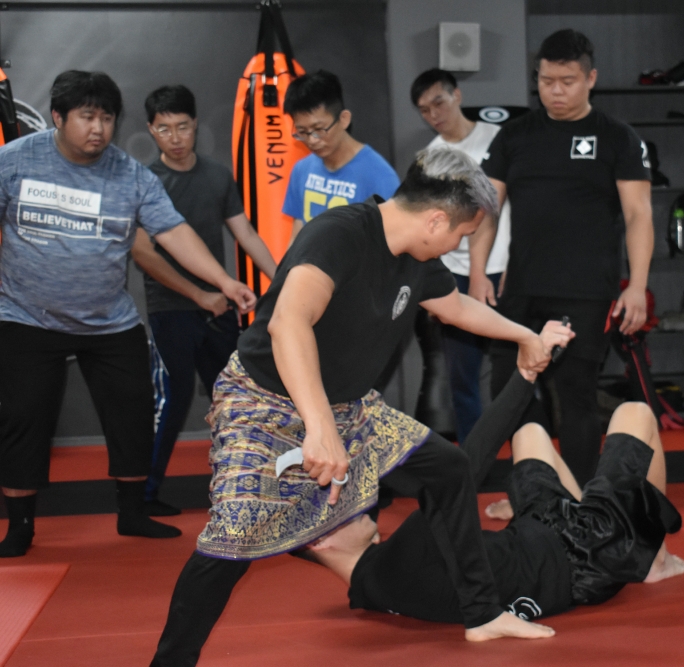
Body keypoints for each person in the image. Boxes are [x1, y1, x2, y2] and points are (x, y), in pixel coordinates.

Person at [149, 148, 563, 667]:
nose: (459, 244)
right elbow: (288, 324)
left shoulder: (418, 255)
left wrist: (525, 336)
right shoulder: (338, 235)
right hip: (263, 403)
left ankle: (481, 614)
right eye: (462, 234)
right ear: (436, 220)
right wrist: (320, 426)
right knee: (234, 537)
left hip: (349, 405)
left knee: (447, 468)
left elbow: (455, 306)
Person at [0, 71, 256, 558]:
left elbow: (174, 232)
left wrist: (223, 281)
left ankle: (133, 513)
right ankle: (20, 526)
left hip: (108, 320)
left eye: (107, 118)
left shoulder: (131, 175)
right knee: (22, 420)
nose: (98, 128)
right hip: (27, 317)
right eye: (87, 117)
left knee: (134, 415)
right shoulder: (14, 161)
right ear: (58, 117)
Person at [305, 321, 684, 625]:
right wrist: (525, 374)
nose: (356, 503)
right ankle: (654, 559)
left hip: (541, 532)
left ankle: (605, 517)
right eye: (341, 506)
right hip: (585, 553)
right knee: (635, 413)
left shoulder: (370, 589)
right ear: (320, 541)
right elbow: (461, 467)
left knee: (529, 434)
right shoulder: (397, 562)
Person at [477, 29, 655, 485]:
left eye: (567, 81)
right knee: (507, 389)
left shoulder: (617, 137)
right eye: (546, 81)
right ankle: (538, 487)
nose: (555, 91)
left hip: (586, 290)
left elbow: (638, 215)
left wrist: (637, 285)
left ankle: (578, 497)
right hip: (522, 286)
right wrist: (478, 273)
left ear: (590, 78)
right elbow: (486, 211)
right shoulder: (515, 136)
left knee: (576, 395)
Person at [132, 85, 278, 517]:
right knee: (172, 400)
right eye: (164, 129)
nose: (175, 137)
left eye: (182, 127)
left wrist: (284, 281)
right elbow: (144, 255)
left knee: (235, 398)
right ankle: (143, 495)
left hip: (220, 308)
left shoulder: (217, 175)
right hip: (171, 308)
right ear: (150, 130)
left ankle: (242, 486)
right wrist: (200, 294)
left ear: (196, 125)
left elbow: (245, 233)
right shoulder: (145, 182)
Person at [410, 67, 512, 443]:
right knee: (461, 376)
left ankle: (525, 454)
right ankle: (474, 458)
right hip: (453, 273)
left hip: (501, 268)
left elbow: (510, 207)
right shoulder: (430, 158)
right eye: (424, 110)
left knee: (512, 369)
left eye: (438, 102)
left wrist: (505, 266)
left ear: (457, 96)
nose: (433, 114)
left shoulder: (499, 138)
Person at [282, 70, 399, 247]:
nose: (312, 140)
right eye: (302, 132)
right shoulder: (301, 170)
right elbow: (297, 233)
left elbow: (392, 243)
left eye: (319, 129)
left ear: (344, 119)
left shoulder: (379, 176)